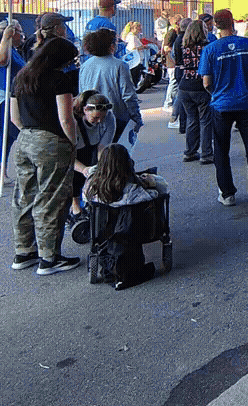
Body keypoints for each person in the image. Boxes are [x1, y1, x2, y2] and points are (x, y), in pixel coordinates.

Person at [10, 36, 81, 275]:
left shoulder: (21, 76)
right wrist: (72, 143)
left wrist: (29, 133)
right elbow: (66, 118)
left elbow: (14, 118)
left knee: (24, 196)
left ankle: (24, 252)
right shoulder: (60, 79)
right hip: (51, 141)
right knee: (51, 200)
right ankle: (49, 258)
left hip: (25, 140)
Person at [198, 9, 248, 206]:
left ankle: (227, 193)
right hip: (246, 101)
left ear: (216, 25)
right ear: (231, 22)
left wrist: (215, 93)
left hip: (221, 104)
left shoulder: (210, 49)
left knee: (221, 149)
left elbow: (206, 82)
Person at [84, 143, 169, 289]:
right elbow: (162, 189)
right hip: (135, 231)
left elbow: (85, 195)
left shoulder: (93, 189)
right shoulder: (135, 190)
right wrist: (149, 180)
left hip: (105, 231)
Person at [79, 28, 142, 144]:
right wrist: (136, 118)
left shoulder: (85, 66)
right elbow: (129, 96)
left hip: (91, 118)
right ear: (111, 46)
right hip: (116, 118)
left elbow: (81, 94)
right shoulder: (120, 66)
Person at [66, 90, 116, 229]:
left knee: (100, 170)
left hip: (93, 146)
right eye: (95, 118)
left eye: (102, 118)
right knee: (74, 177)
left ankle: (92, 202)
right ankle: (74, 208)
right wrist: (84, 169)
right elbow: (67, 156)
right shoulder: (72, 122)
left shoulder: (109, 118)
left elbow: (103, 147)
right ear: (85, 110)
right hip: (73, 150)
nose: (99, 122)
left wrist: (99, 167)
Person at [176, 20, 214, 164]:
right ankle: (206, 153)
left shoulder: (183, 46)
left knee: (192, 119)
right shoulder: (206, 47)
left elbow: (179, 64)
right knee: (205, 120)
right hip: (200, 85)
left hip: (185, 86)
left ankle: (190, 152)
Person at [0, 18, 26, 182]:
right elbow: (2, 60)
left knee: (9, 136)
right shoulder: (5, 46)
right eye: (20, 32)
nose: (23, 36)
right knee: (5, 134)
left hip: (14, 95)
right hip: (4, 97)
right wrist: (5, 38)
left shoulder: (15, 50)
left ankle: (2, 169)